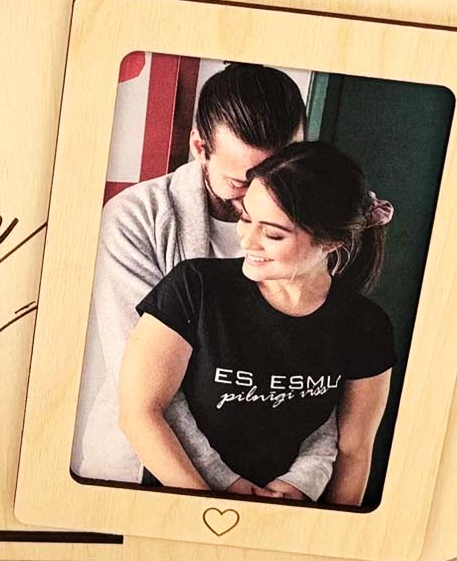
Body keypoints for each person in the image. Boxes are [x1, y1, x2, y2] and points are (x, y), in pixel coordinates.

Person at [71, 63, 340, 499]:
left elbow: (321, 373)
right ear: (200, 147)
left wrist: (302, 479)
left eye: (279, 172)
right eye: (241, 181)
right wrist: (219, 486)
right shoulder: (134, 218)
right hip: (148, 471)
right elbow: (142, 387)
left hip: (271, 484)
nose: (261, 195)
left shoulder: (318, 230)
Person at [117, 141, 396, 507]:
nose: (247, 240)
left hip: (291, 516)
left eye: (273, 233)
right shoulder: (194, 287)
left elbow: (354, 450)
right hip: (177, 504)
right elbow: (139, 412)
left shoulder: (366, 326)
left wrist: (323, 525)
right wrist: (209, 507)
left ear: (331, 243)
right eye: (246, 218)